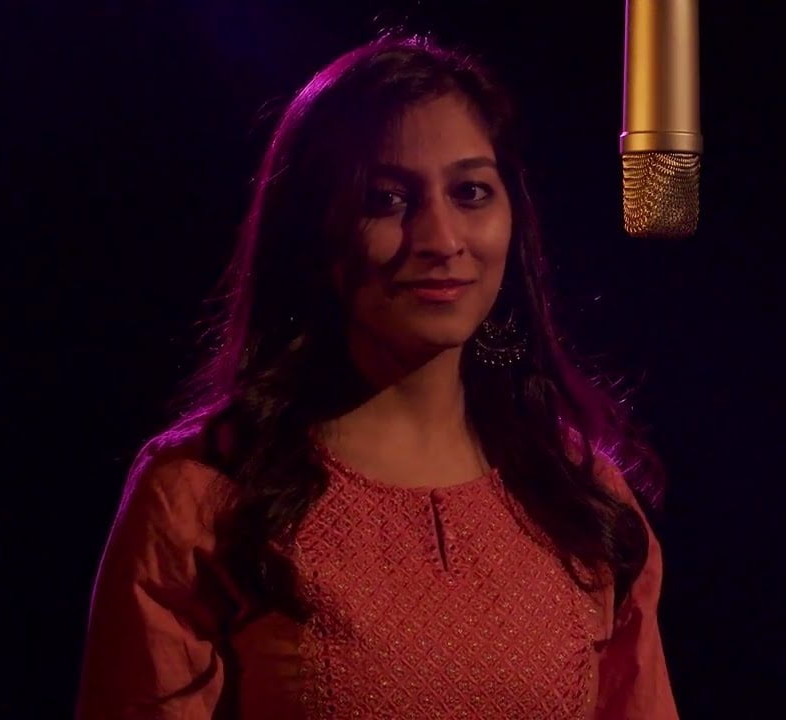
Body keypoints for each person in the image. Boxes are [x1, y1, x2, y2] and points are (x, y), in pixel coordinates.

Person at [76, 31, 679, 719]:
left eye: (472, 192)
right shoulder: (205, 498)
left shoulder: (579, 497)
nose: (441, 239)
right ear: (313, 230)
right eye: (387, 200)